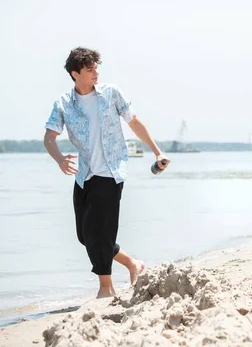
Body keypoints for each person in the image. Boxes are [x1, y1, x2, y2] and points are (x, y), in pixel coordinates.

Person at [43, 47, 171, 297]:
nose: (95, 73)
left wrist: (157, 152)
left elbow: (133, 121)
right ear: (75, 73)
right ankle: (133, 264)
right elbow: (49, 137)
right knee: (84, 235)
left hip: (111, 172)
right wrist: (59, 159)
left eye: (96, 67)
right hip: (84, 174)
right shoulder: (63, 104)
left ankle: (106, 288)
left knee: (100, 231)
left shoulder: (111, 93)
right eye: (89, 69)